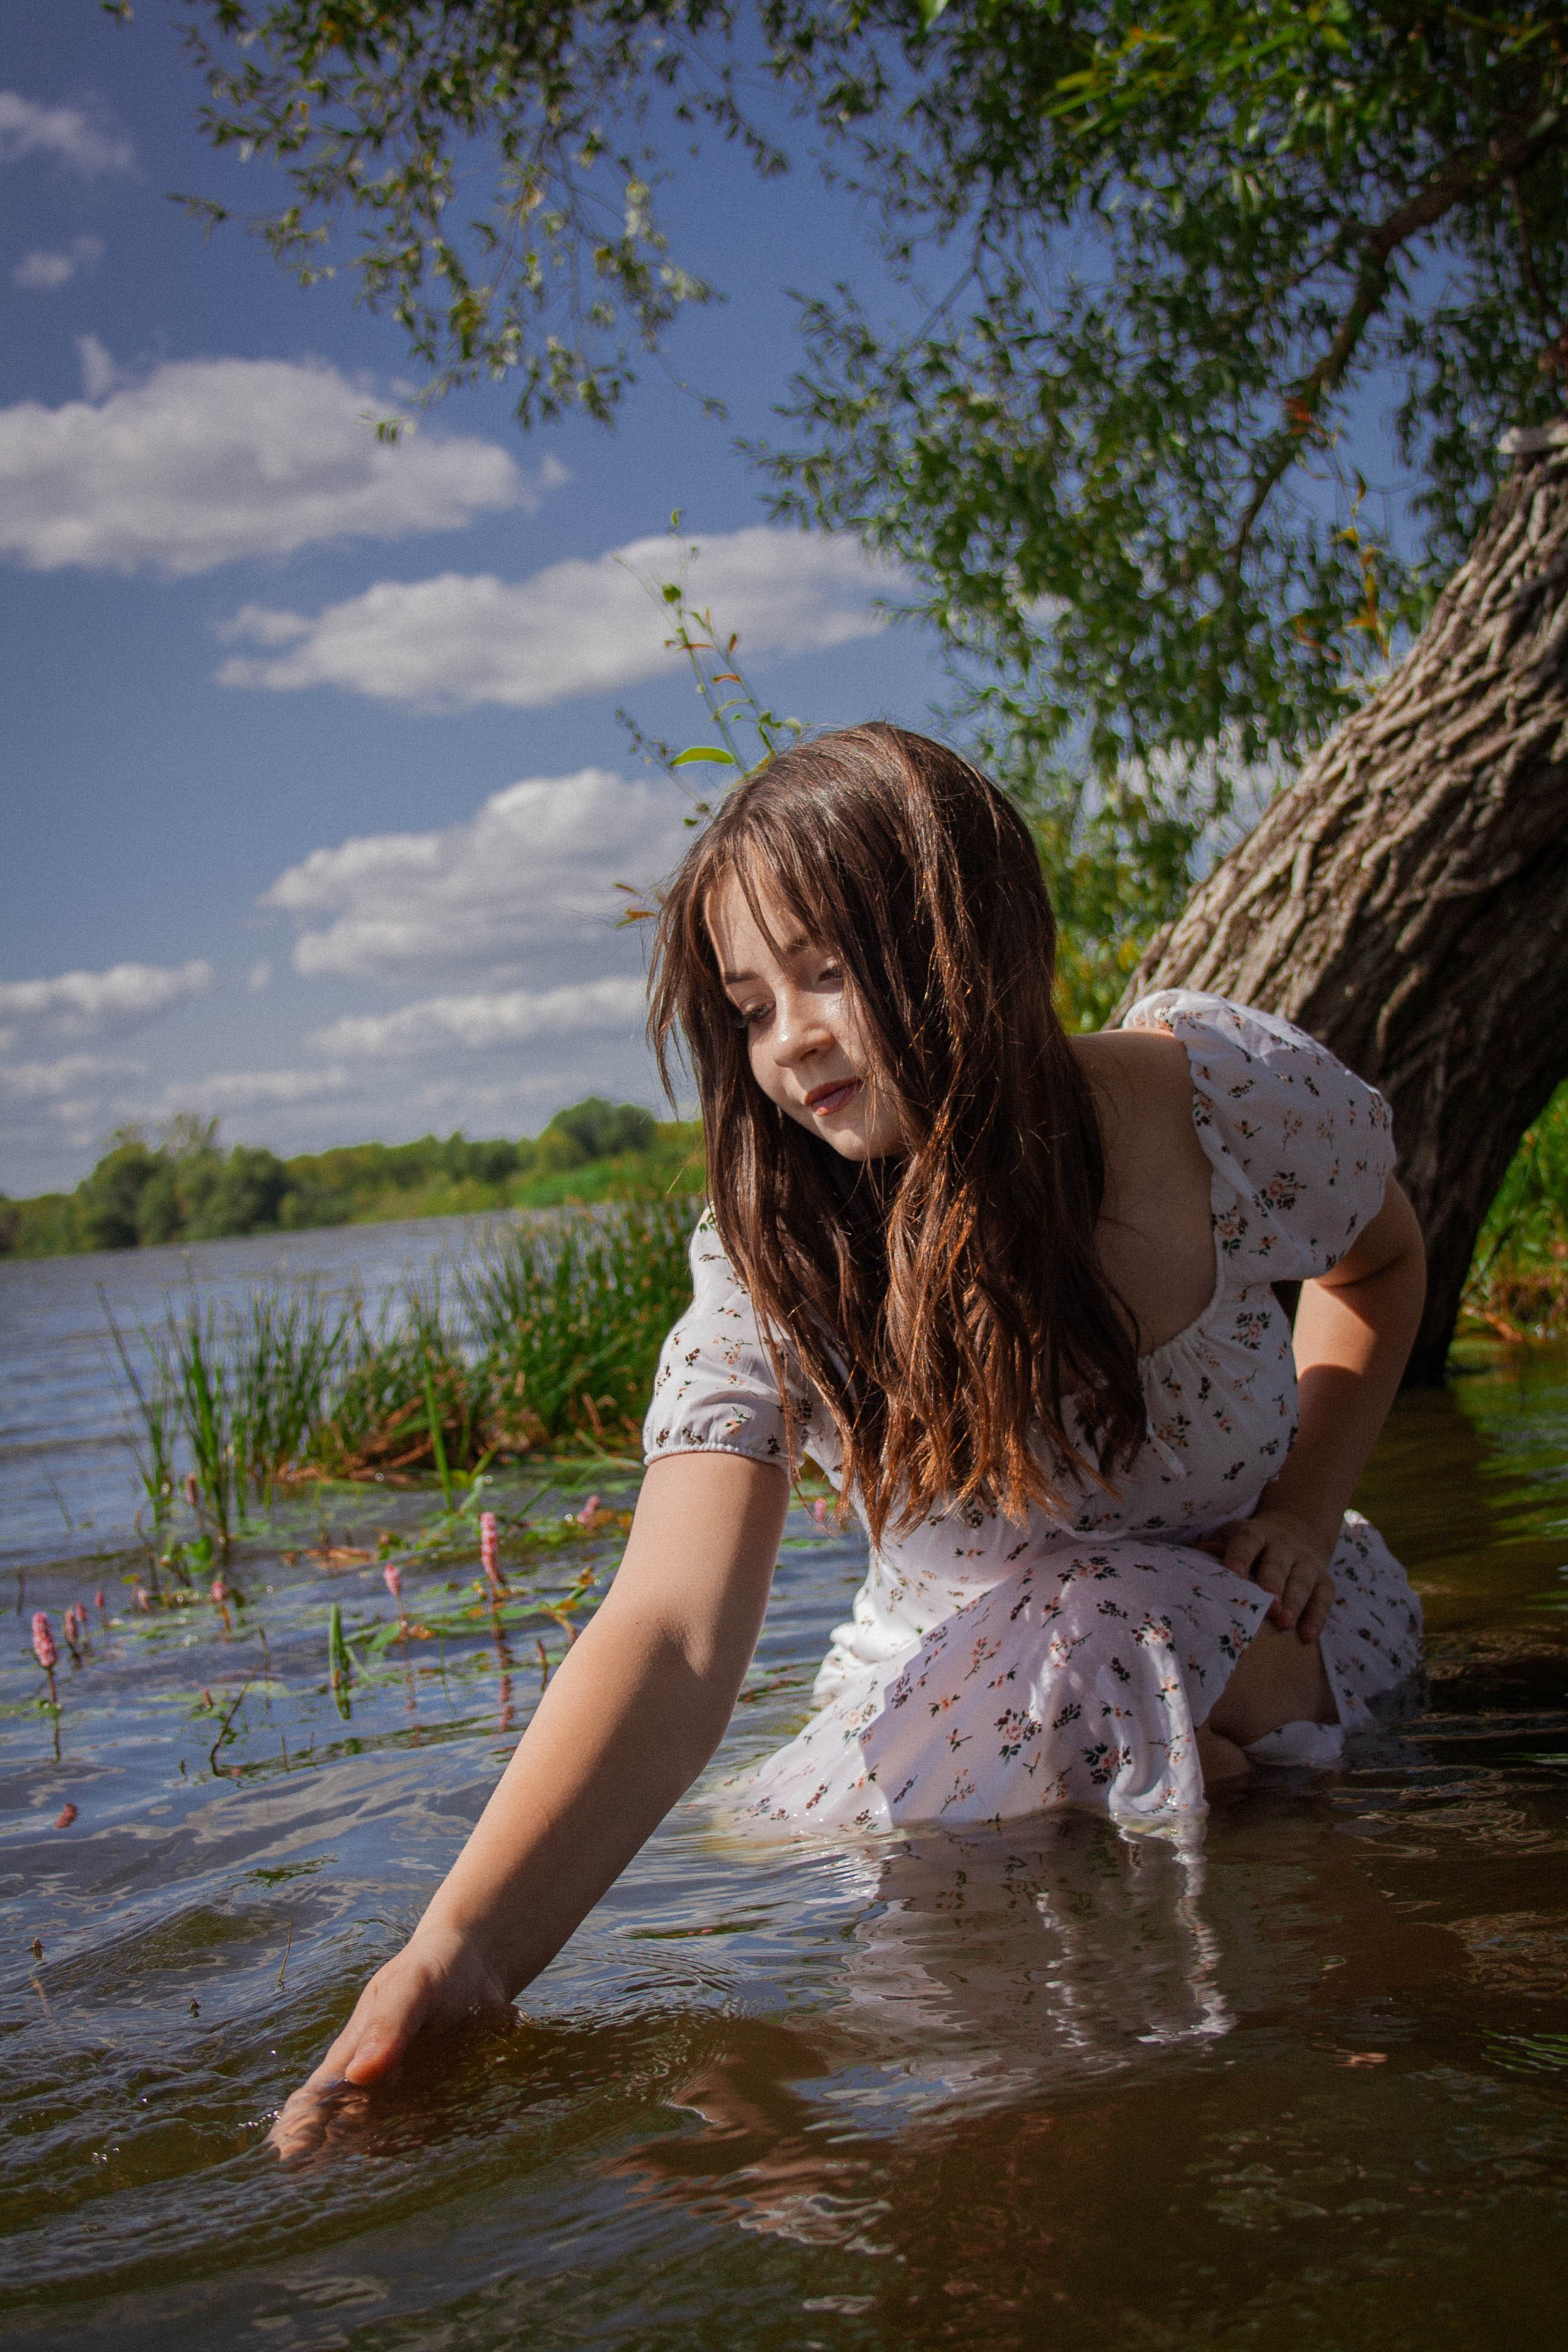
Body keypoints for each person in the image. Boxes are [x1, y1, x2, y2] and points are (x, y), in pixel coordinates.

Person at [270, 725, 1425, 2155]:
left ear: (969, 938)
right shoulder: (773, 1262)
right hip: (965, 1699)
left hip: (1268, 1619)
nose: (789, 1042)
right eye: (749, 1006)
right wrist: (461, 1954)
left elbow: (1375, 1271)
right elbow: (677, 1632)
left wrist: (1309, 1504)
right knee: (1010, 1901)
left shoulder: (1216, 1094)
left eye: (825, 972)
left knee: (1124, 1628)